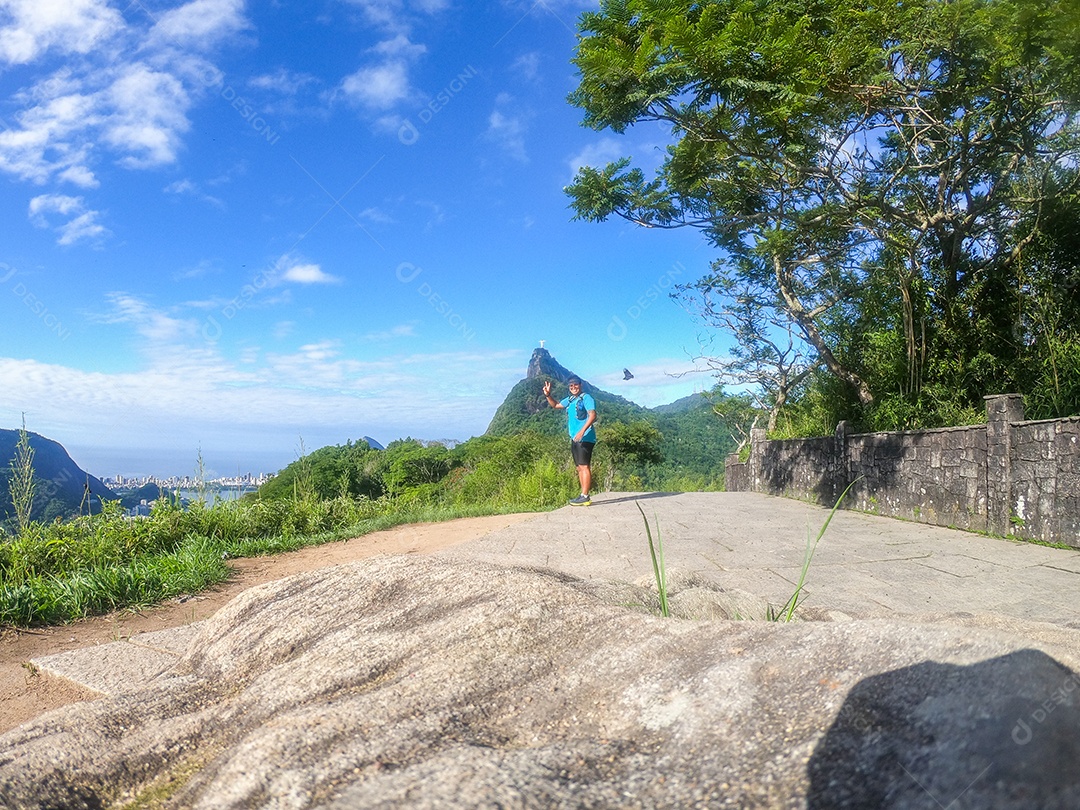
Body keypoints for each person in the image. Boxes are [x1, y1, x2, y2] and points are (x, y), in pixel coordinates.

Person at [543, 375, 597, 506]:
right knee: (579, 467)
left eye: (575, 385)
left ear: (580, 385)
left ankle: (585, 496)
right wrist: (548, 395)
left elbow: (593, 415)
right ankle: (582, 495)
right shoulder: (571, 399)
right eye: (571, 386)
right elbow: (555, 405)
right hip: (575, 438)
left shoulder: (586, 398)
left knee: (584, 466)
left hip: (585, 437)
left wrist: (582, 431)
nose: (573, 387)